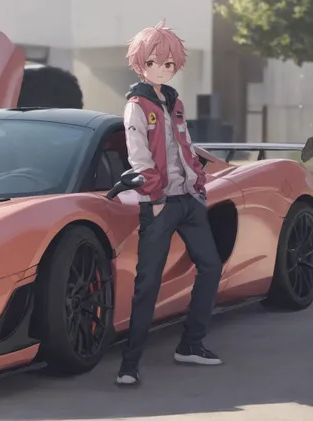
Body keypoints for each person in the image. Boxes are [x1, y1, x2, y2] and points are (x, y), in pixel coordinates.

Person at [116, 19, 224, 387]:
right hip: (160, 203)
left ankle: (191, 344)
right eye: (154, 62)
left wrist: (198, 184)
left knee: (210, 266)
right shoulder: (135, 105)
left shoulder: (174, 102)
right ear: (140, 63)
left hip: (188, 199)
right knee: (147, 284)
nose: (162, 68)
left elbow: (186, 145)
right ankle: (129, 364)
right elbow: (138, 155)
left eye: (168, 63)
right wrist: (157, 196)